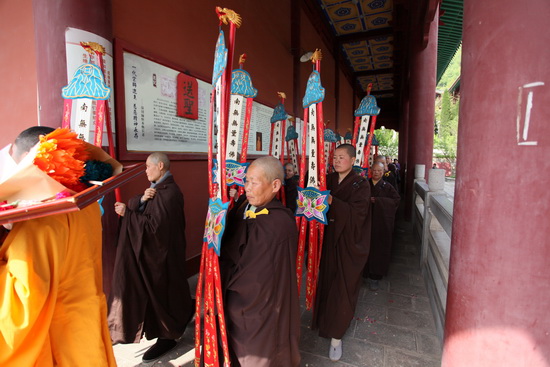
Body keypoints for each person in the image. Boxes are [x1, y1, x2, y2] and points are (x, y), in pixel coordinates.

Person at [0, 126, 116, 366]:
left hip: (54, 336)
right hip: (84, 323)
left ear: (25, 160)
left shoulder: (36, 214)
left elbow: (26, 296)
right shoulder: (84, 199)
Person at [108, 152, 193, 362]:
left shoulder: (168, 193)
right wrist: (138, 201)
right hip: (159, 255)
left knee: (164, 295)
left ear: (160, 166)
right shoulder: (157, 189)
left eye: (148, 166)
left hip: (163, 257)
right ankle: (167, 329)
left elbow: (155, 230)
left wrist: (127, 214)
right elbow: (145, 209)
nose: (146, 170)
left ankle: (168, 335)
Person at [221, 156, 300, 367]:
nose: (247, 188)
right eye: (246, 181)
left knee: (258, 350)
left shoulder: (279, 222)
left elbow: (256, 272)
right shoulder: (246, 206)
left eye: (254, 182)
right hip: (242, 298)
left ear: (275, 185)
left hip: (260, 302)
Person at [311, 143, 371, 361]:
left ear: (353, 160)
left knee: (342, 288)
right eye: (334, 157)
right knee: (326, 282)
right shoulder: (327, 179)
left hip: (347, 244)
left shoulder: (360, 184)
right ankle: (323, 323)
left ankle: (337, 337)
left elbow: (359, 215)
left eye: (341, 157)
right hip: (328, 240)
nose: (336, 161)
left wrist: (332, 201)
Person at [363, 161, 401, 291]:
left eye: (379, 171)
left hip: (381, 224)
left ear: (383, 172)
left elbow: (396, 201)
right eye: (374, 170)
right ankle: (364, 273)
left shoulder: (387, 186)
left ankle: (375, 278)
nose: (376, 173)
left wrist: (378, 201)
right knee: (364, 246)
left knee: (379, 249)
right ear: (370, 171)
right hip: (365, 223)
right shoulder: (364, 185)